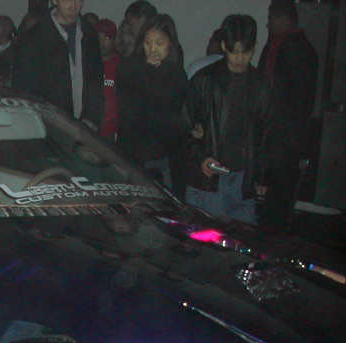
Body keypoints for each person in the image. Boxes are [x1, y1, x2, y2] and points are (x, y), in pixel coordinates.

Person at [181, 14, 277, 225]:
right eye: (234, 52)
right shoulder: (204, 80)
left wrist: (262, 176)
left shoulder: (261, 85)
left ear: (254, 48)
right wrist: (201, 157)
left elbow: (267, 135)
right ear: (224, 46)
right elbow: (184, 127)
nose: (239, 58)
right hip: (208, 180)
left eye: (246, 52)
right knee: (205, 237)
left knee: (242, 240)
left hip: (243, 181)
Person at [257, 0, 318, 231]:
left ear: (282, 19)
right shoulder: (299, 48)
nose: (268, 24)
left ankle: (271, 239)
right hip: (286, 139)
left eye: (270, 19)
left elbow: (283, 99)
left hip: (281, 139)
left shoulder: (286, 48)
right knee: (279, 199)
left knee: (275, 201)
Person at [117, 14, 186, 188]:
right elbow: (129, 111)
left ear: (170, 43)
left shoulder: (177, 74)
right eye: (147, 43)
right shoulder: (130, 68)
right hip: (132, 154)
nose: (152, 49)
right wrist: (147, 71)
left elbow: (172, 115)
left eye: (159, 43)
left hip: (163, 156)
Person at [12, 0, 104, 126]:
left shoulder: (89, 33)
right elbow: (25, 92)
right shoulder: (34, 39)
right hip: (49, 128)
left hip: (84, 127)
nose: (73, 5)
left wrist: (91, 119)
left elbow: (96, 81)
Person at [96, 19, 120, 139]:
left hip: (112, 133)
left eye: (107, 38)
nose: (102, 42)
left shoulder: (121, 65)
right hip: (89, 129)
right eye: (99, 37)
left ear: (114, 39)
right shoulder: (88, 63)